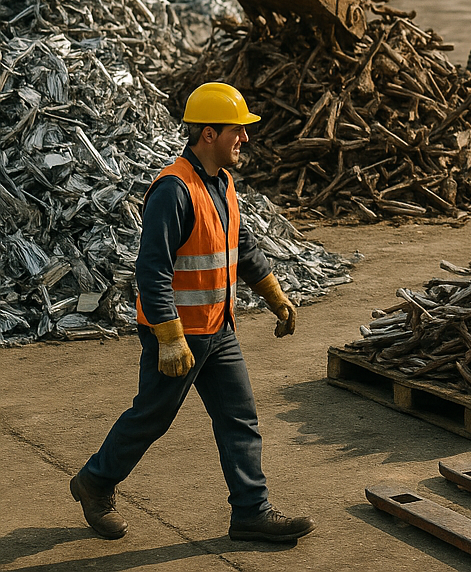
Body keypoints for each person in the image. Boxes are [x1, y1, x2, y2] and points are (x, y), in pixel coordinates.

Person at [70, 82, 316, 544]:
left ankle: (250, 511)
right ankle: (94, 482)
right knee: (152, 417)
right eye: (236, 131)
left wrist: (274, 294)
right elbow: (151, 270)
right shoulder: (174, 190)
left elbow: (241, 246)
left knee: (239, 416)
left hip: (218, 329)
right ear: (208, 134)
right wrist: (168, 336)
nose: (244, 139)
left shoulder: (223, 182)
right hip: (179, 333)